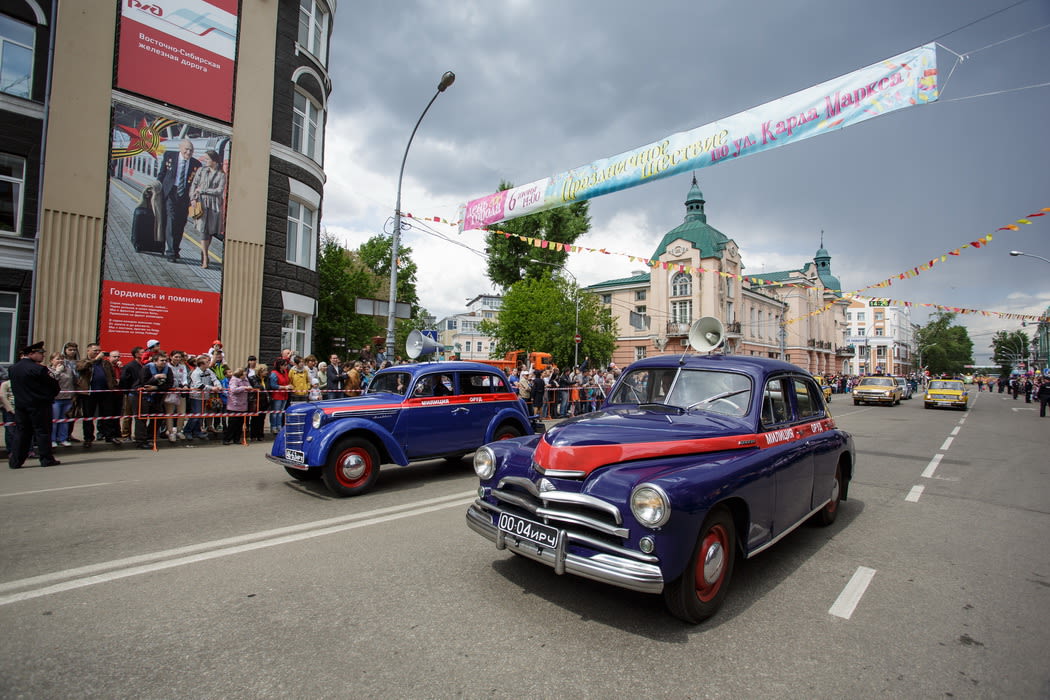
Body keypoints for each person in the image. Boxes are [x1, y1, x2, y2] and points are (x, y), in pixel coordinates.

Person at [8, 342, 61, 468]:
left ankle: (16, 461)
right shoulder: (38, 369)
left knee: (21, 432)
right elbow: (53, 385)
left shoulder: (13, 368)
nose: (43, 355)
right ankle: (46, 459)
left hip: (21, 405)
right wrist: (49, 396)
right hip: (39, 405)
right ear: (31, 354)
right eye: (40, 353)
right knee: (42, 432)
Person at [158, 138, 201, 263]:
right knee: (171, 220)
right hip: (171, 193)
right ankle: (171, 252)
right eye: (186, 149)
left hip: (185, 196)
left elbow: (197, 182)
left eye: (191, 150)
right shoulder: (169, 156)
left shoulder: (196, 164)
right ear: (180, 148)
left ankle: (176, 249)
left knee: (181, 224)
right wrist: (156, 188)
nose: (189, 152)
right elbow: (162, 174)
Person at [188, 149, 226, 269]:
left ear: (214, 161)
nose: (205, 161)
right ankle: (205, 257)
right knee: (204, 230)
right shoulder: (201, 170)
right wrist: (193, 198)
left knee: (210, 232)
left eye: (207, 159)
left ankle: (204, 252)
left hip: (214, 206)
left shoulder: (221, 175)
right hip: (202, 204)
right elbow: (194, 184)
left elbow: (219, 191)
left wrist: (203, 190)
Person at [49, 352, 76, 447]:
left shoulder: (68, 370)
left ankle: (63, 438)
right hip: (55, 399)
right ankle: (52, 439)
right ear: (51, 360)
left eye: (62, 359)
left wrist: (73, 395)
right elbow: (51, 381)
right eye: (57, 359)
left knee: (64, 420)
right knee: (54, 420)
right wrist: (58, 371)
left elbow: (73, 382)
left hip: (67, 398)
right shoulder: (49, 370)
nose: (60, 361)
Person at [223, 367, 251, 445]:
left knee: (240, 424)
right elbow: (233, 390)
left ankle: (237, 439)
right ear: (240, 374)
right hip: (234, 405)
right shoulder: (234, 380)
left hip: (243, 405)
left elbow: (249, 386)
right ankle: (227, 439)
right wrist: (244, 388)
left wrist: (248, 388)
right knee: (232, 424)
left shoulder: (245, 380)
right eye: (244, 374)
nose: (245, 376)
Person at [268, 358, 291, 433]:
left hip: (284, 395)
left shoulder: (285, 372)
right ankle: (273, 427)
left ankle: (279, 426)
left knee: (281, 412)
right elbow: (273, 385)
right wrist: (284, 387)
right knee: (275, 412)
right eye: (284, 365)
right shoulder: (274, 374)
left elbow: (287, 381)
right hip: (277, 396)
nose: (286, 366)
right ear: (280, 366)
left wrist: (288, 386)